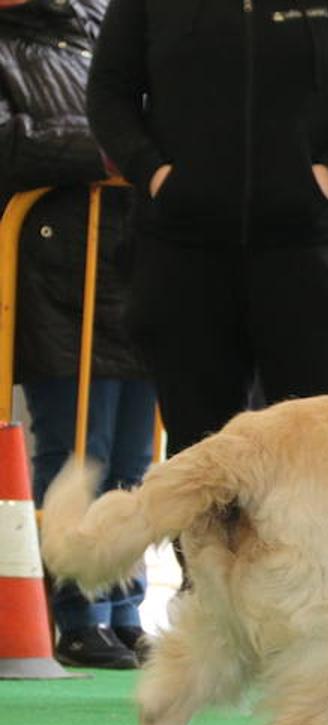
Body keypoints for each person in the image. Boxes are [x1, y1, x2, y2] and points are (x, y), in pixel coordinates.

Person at [84, 0, 328, 459]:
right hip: (182, 252)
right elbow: (107, 92)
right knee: (201, 463)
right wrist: (155, 174)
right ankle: (205, 535)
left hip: (315, 252)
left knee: (325, 454)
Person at [1, 0, 156, 669]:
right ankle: (75, 610)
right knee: (75, 449)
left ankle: (124, 605)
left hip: (138, 263)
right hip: (51, 276)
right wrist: (107, 147)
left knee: (134, 459)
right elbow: (11, 142)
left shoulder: (117, 26)